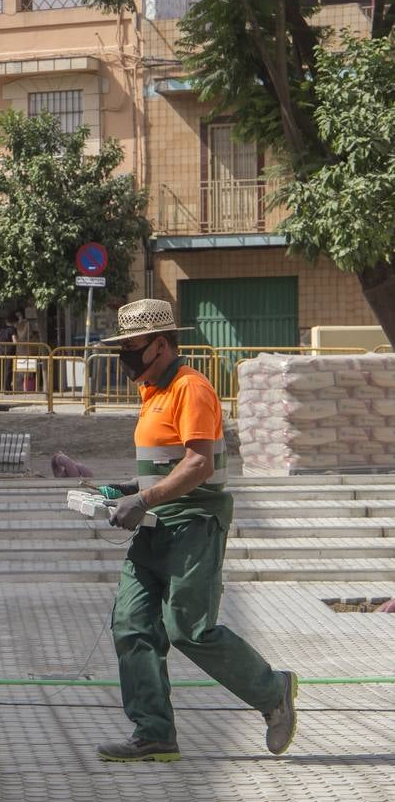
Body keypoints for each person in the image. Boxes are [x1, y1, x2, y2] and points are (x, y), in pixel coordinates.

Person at [94, 299, 295, 762]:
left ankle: (273, 690)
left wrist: (142, 499)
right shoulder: (153, 392)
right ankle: (154, 734)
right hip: (155, 525)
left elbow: (200, 462)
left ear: (160, 346)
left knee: (188, 629)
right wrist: (127, 489)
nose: (124, 355)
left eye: (131, 347)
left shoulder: (191, 388)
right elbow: (166, 464)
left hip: (193, 525)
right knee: (132, 625)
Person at [0, 311, 20, 392]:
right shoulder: (13, 330)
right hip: (10, 351)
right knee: (8, 369)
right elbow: (15, 341)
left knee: (2, 369)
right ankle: (7, 388)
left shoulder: (1, 329)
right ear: (14, 321)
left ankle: (2, 387)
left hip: (1, 351)